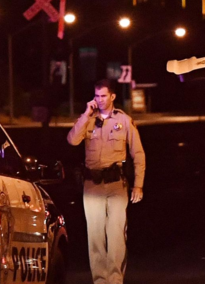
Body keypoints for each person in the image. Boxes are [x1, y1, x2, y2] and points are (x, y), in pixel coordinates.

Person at [66, 79, 145, 284]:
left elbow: (138, 153)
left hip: (116, 184)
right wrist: (86, 113)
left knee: (117, 235)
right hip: (92, 185)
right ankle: (100, 280)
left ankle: (115, 280)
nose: (100, 100)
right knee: (95, 237)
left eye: (103, 96)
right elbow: (72, 140)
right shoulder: (88, 119)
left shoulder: (124, 120)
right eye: (97, 96)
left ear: (112, 97)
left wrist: (138, 185)